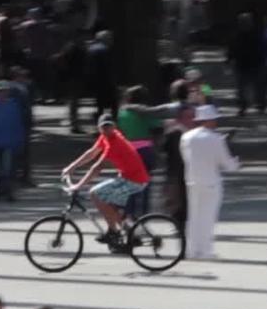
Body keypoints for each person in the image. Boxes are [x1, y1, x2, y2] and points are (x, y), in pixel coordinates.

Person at [62, 114, 150, 247]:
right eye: (103, 127)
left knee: (95, 193)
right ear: (99, 128)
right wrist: (71, 167)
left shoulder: (115, 143)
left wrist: (78, 186)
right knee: (111, 207)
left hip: (135, 181)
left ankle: (113, 232)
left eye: (109, 126)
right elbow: (92, 152)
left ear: (114, 126)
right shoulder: (105, 137)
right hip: (128, 177)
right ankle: (131, 236)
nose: (107, 129)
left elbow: (97, 167)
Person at [179, 105, 239, 260]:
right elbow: (226, 163)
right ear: (210, 120)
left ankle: (191, 250)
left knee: (193, 216)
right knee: (208, 217)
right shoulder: (215, 139)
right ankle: (206, 251)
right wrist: (236, 162)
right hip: (211, 181)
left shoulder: (186, 137)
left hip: (191, 180)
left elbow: (186, 157)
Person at [118, 85, 160, 219]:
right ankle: (143, 216)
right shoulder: (146, 112)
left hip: (128, 152)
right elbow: (157, 129)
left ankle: (128, 214)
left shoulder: (122, 113)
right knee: (145, 185)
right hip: (145, 151)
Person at [163, 103, 195, 231]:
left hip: (190, 171)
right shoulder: (174, 134)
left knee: (187, 200)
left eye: (193, 117)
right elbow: (167, 152)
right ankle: (179, 224)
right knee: (178, 201)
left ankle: (184, 224)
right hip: (176, 172)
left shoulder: (195, 133)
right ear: (180, 119)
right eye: (188, 117)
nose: (192, 120)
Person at [227, 12, 264, 116]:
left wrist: (229, 59)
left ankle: (256, 104)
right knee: (245, 87)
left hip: (251, 63)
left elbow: (231, 48)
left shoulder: (254, 34)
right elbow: (232, 48)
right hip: (245, 64)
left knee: (251, 86)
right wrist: (229, 59)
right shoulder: (239, 34)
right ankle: (245, 106)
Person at [84, 30, 118, 121]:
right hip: (105, 80)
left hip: (94, 80)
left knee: (100, 105)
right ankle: (113, 123)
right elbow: (108, 67)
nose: (112, 40)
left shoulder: (90, 49)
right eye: (110, 38)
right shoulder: (105, 50)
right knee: (113, 104)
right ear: (105, 39)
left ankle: (99, 123)